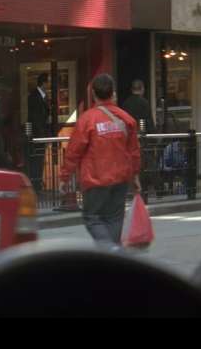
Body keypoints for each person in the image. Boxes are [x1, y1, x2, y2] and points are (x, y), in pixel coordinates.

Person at [60, 74, 142, 250]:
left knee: (92, 217)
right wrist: (135, 175)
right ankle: (113, 251)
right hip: (120, 178)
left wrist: (64, 177)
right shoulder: (127, 119)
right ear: (113, 93)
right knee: (114, 218)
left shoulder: (87, 120)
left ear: (93, 94)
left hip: (95, 179)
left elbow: (73, 152)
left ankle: (109, 250)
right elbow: (134, 151)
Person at [27, 73, 51, 191]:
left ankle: (38, 184)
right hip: (37, 135)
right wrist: (42, 137)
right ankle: (36, 186)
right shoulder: (34, 96)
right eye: (48, 82)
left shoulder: (43, 96)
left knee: (40, 160)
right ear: (44, 83)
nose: (49, 85)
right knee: (37, 160)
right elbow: (36, 118)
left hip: (41, 134)